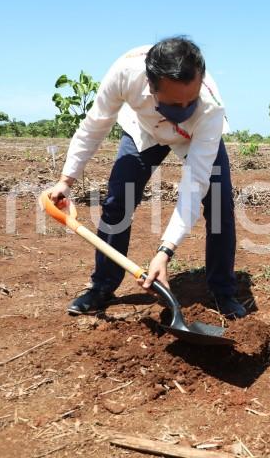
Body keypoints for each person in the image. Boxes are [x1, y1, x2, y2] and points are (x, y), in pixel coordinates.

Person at [49, 37, 246, 318]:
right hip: (143, 131)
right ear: (150, 86)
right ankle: (102, 286)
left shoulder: (210, 108)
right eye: (175, 105)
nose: (184, 109)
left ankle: (223, 291)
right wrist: (66, 181)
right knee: (118, 201)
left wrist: (165, 251)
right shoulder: (125, 73)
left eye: (191, 101)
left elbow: (194, 186)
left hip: (195, 138)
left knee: (220, 205)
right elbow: (95, 125)